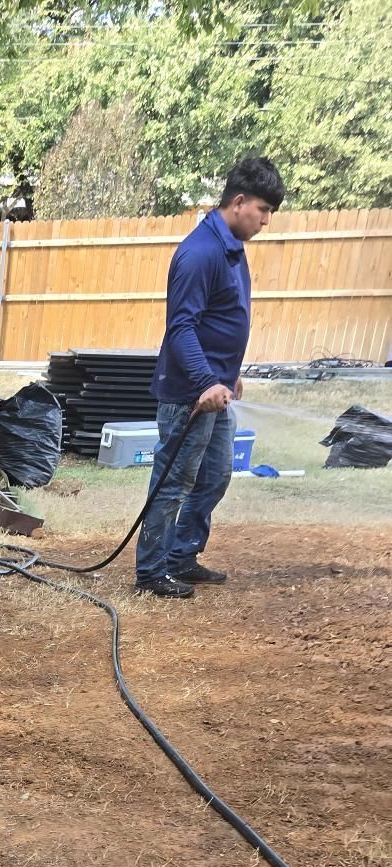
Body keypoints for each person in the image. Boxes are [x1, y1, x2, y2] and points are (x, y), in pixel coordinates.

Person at [135, 156, 285, 599]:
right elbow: (180, 327)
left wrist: (229, 376)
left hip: (216, 391)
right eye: (263, 210)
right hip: (190, 394)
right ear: (238, 202)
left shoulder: (231, 249)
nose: (266, 221)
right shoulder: (200, 253)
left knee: (216, 474)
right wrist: (205, 381)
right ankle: (151, 571)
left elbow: (220, 320)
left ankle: (182, 555)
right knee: (175, 479)